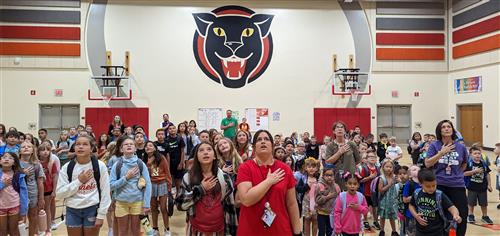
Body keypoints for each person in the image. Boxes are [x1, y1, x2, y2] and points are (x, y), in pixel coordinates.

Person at [236, 130, 301, 235]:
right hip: (251, 230)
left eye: (266, 139)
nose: (263, 142)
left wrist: (298, 232)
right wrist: (268, 182)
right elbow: (246, 199)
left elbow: (292, 204)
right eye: (259, 140)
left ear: (272, 145)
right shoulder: (245, 168)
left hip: (280, 229)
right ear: (254, 146)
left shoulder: (284, 169)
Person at [176, 142, 238, 235]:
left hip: (219, 230)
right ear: (196, 157)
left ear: (214, 156)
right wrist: (201, 189)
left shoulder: (224, 178)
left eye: (209, 149)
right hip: (196, 230)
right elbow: (180, 204)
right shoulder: (188, 177)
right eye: (201, 150)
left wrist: (231, 232)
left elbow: (230, 207)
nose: (205, 152)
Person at [56, 135, 111, 236]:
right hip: (72, 210)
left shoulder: (100, 166)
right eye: (78, 144)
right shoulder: (67, 167)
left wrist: (101, 215)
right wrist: (79, 181)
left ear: (92, 148)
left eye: (85, 144)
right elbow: (59, 194)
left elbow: (105, 192)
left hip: (92, 209)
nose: (80, 147)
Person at [424, 120, 468, 236]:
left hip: (457, 185)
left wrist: (456, 174)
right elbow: (428, 164)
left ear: (452, 130)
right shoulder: (435, 145)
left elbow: (464, 164)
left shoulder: (460, 147)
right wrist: (441, 153)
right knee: (439, 214)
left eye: (449, 126)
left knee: (461, 215)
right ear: (440, 130)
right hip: (439, 185)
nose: (447, 128)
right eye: (444, 127)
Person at [109, 136, 152, 236]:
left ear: (135, 148)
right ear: (121, 149)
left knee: (136, 231)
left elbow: (148, 184)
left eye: (131, 144)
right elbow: (111, 185)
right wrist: (126, 178)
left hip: (137, 202)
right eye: (126, 144)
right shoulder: (117, 164)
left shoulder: (140, 164)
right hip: (121, 202)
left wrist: (146, 204)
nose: (129, 145)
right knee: (122, 232)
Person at [409, 169, 462, 236]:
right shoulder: (417, 193)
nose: (431, 188)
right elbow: (411, 205)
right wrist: (416, 215)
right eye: (428, 186)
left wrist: (455, 215)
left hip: (436, 231)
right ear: (420, 184)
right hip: (420, 231)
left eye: (434, 185)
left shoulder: (439, 195)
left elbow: (452, 208)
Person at [145, 141, 172, 236]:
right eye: (146, 146)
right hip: (151, 185)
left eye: (150, 145)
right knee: (153, 208)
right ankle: (155, 229)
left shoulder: (161, 157)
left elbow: (167, 171)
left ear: (155, 148)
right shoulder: (144, 158)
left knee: (164, 208)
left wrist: (169, 186)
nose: (148, 147)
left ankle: (167, 229)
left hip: (162, 183)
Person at [19, 141, 45, 236]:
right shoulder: (15, 164)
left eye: (28, 146)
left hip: (32, 194)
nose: (26, 148)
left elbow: (40, 182)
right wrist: (22, 173)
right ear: (19, 151)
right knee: (20, 219)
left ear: (32, 151)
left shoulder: (37, 164)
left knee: (33, 217)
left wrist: (41, 198)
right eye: (23, 147)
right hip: (18, 195)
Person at [325, 121, 360, 190]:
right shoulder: (330, 145)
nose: (340, 129)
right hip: (336, 177)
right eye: (337, 127)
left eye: (342, 127)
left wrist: (349, 166)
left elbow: (358, 160)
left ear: (345, 131)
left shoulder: (351, 144)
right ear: (334, 131)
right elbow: (328, 162)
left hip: (350, 177)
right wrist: (339, 153)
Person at [0, 152, 29, 236]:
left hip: (14, 205)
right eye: (4, 157)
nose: (6, 159)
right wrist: (3, 184)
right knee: (2, 231)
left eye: (10, 158)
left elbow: (24, 193)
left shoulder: (18, 175)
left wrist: (23, 210)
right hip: (1, 207)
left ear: (14, 162)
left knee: (14, 230)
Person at [464, 146, 493, 224]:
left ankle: (485, 216)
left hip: (482, 187)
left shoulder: (483, 163)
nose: (477, 155)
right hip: (472, 187)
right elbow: (464, 173)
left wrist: (489, 185)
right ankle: (470, 215)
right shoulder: (468, 164)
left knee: (484, 203)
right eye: (475, 153)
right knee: (471, 202)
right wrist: (474, 171)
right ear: (470, 154)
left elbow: (487, 174)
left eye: (479, 153)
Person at [38, 143, 59, 235]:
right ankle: (40, 228)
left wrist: (54, 190)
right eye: (43, 150)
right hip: (37, 190)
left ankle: (48, 229)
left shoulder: (51, 163)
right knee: (38, 210)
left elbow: (55, 177)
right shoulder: (36, 163)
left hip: (48, 189)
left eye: (48, 149)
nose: (45, 152)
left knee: (47, 209)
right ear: (38, 152)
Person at [358, 150, 381, 230]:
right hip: (366, 192)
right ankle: (365, 221)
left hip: (375, 192)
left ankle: (375, 221)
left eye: (374, 157)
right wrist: (369, 177)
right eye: (370, 157)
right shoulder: (364, 168)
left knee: (375, 207)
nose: (372, 158)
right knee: (365, 207)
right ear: (366, 159)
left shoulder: (378, 169)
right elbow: (360, 180)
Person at [315, 164, 340, 236]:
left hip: (332, 214)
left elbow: (338, 199)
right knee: (321, 232)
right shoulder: (319, 185)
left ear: (334, 176)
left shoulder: (336, 186)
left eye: (331, 175)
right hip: (321, 213)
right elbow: (317, 200)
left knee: (330, 232)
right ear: (323, 176)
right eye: (327, 175)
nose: (329, 177)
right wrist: (328, 197)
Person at [298, 158, 319, 236]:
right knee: (307, 220)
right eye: (309, 166)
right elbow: (298, 189)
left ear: (316, 168)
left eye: (313, 167)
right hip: (306, 202)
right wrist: (306, 186)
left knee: (315, 220)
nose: (311, 168)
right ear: (305, 168)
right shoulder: (303, 178)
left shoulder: (319, 178)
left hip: (316, 202)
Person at [377, 159, 399, 236]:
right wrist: (389, 184)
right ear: (383, 167)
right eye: (387, 166)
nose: (389, 168)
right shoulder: (381, 178)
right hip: (384, 201)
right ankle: (382, 230)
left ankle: (394, 231)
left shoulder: (394, 177)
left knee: (392, 216)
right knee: (382, 216)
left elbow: (399, 185)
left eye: (390, 167)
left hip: (392, 201)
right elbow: (381, 190)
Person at [165, 124, 185, 198]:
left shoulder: (180, 138)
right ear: (168, 130)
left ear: (176, 129)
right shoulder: (166, 139)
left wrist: (181, 163)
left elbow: (182, 151)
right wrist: (167, 165)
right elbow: (166, 153)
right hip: (169, 163)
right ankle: (170, 197)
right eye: (170, 129)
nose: (172, 130)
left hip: (178, 162)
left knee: (178, 180)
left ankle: (178, 195)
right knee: (170, 179)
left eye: (173, 128)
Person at [402, 165, 421, 236]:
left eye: (417, 169)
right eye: (414, 169)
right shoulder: (408, 184)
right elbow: (405, 200)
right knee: (411, 233)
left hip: (422, 213)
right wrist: (417, 195)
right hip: (410, 213)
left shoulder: (424, 183)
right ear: (410, 174)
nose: (416, 170)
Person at [495, 143, 500, 209]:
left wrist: (496, 168)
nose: (494, 150)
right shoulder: (498, 157)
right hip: (498, 176)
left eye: (495, 148)